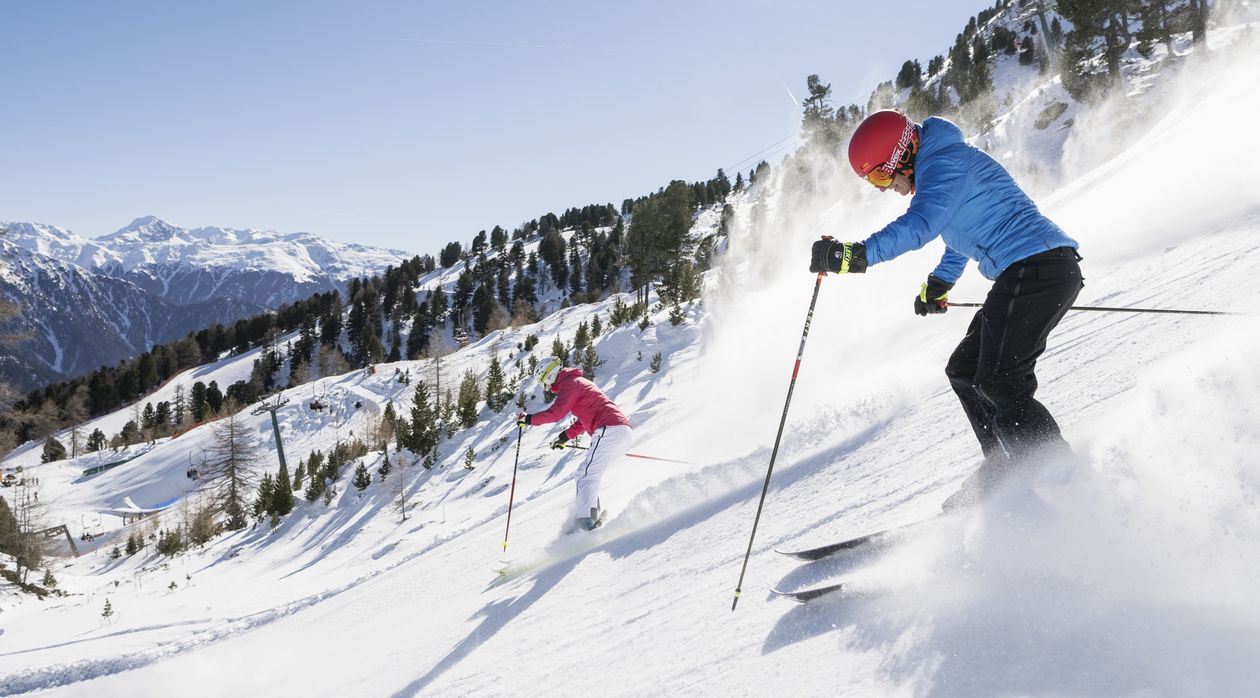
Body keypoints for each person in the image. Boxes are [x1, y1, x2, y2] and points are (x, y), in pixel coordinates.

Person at [810, 110, 1084, 511]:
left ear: (902, 155)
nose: (886, 189)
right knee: (966, 370)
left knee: (1001, 381)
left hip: (1037, 268)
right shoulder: (943, 167)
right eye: (875, 183)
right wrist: (939, 283)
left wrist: (855, 255)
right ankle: (1005, 465)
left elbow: (922, 224)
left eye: (882, 177)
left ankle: (1063, 482)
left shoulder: (943, 163)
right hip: (1030, 271)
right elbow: (957, 236)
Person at [517, 357, 633, 530]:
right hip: (617, 431)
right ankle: (591, 515)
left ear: (549, 376)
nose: (545, 387)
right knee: (584, 474)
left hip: (610, 429)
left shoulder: (570, 383)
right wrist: (565, 436)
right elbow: (584, 418)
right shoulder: (575, 382)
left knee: (586, 476)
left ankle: (586, 523)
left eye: (543, 382)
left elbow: (556, 413)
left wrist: (529, 419)